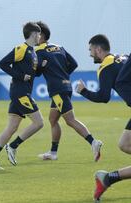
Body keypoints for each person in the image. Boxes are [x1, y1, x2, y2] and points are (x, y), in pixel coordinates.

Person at [35, 21, 103, 161]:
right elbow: (74, 64)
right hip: (66, 86)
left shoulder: (38, 51)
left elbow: (36, 72)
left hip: (57, 90)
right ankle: (53, 153)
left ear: (40, 35)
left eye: (34, 33)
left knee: (70, 120)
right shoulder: (59, 47)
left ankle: (93, 142)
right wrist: (63, 75)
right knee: (53, 119)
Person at [76, 34, 130, 202]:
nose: (90, 53)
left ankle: (108, 179)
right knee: (124, 144)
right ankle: (107, 179)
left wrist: (83, 91)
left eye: (91, 50)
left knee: (124, 144)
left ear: (98, 49)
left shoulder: (105, 67)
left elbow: (104, 96)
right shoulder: (122, 58)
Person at [0, 22, 44, 170]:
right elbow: (3, 63)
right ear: (33, 34)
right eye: (38, 34)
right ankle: (13, 146)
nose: (40, 37)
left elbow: (33, 74)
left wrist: (41, 66)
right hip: (20, 93)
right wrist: (19, 76)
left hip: (23, 92)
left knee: (11, 128)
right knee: (39, 123)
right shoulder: (21, 49)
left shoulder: (33, 52)